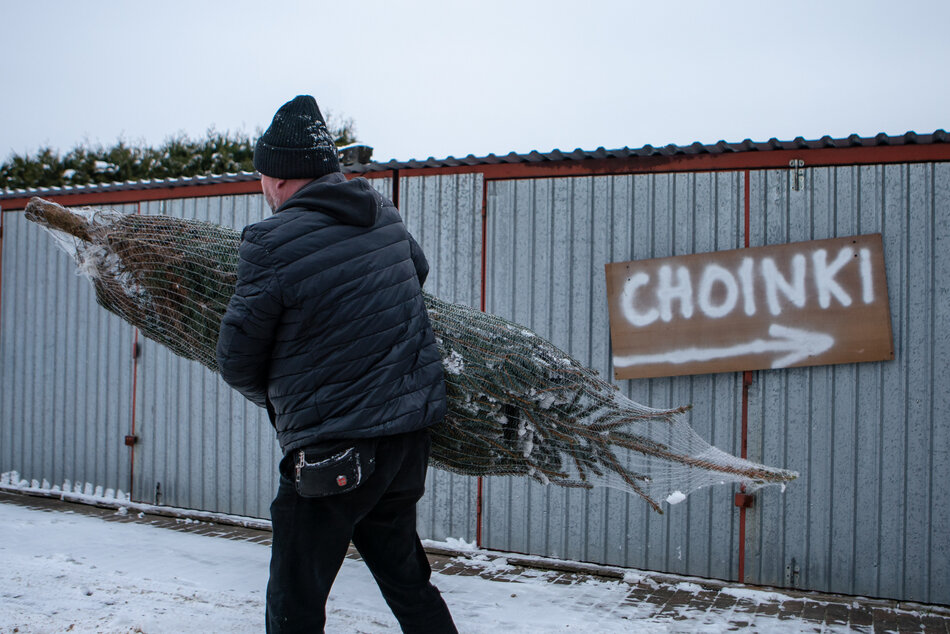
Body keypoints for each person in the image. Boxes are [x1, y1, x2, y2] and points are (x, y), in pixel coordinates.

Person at [216, 95, 457, 633]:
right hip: (406, 441)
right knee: (409, 585)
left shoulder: (269, 240)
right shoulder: (382, 214)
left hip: (335, 452)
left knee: (294, 601)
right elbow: (417, 271)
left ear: (277, 177)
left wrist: (282, 393)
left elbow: (237, 358)